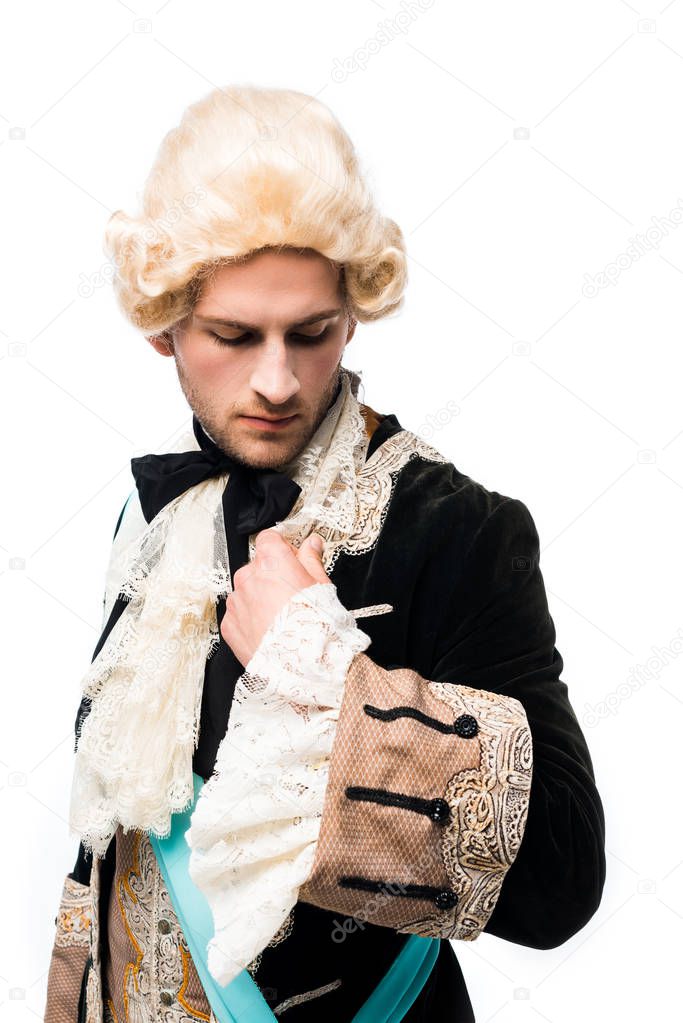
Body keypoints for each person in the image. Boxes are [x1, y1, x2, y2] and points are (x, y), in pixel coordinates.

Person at [43, 84, 606, 1023]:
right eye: (232, 335)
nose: (276, 380)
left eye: (310, 334)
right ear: (163, 324)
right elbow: (114, 852)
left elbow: (561, 879)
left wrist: (325, 674)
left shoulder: (458, 526)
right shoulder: (159, 514)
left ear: (352, 314)